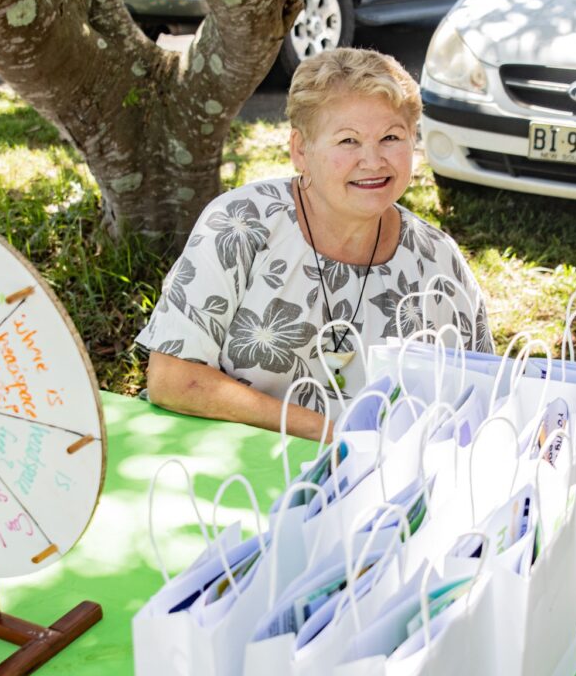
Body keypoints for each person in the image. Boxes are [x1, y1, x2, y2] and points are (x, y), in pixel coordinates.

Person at [136, 48, 493, 441]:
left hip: (380, 491)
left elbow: (481, 398)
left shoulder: (438, 262)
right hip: (229, 478)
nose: (372, 161)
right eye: (348, 141)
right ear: (300, 151)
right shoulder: (241, 225)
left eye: (391, 137)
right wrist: (333, 434)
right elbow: (172, 379)